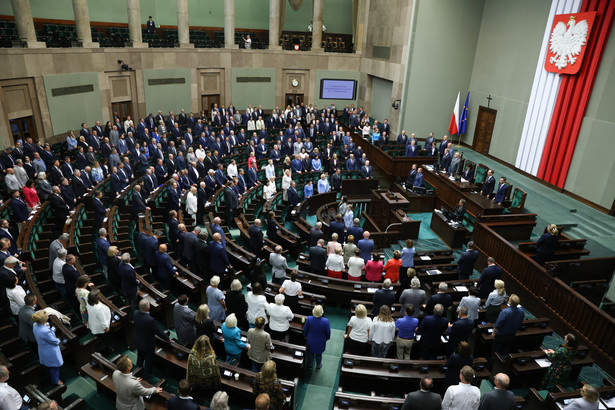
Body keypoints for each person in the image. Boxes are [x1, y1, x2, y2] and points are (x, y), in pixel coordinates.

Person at [133, 299, 171, 374]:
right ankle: (147, 375)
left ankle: (138, 372)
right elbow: (158, 331)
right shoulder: (150, 320)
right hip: (147, 344)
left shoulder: (135, 313)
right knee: (148, 361)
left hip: (138, 340)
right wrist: (167, 339)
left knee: (140, 357)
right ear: (148, 307)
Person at [32, 310, 64, 386]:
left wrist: (52, 329)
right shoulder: (46, 331)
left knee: (50, 366)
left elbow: (45, 333)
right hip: (50, 351)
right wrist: (61, 339)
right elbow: (54, 341)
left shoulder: (35, 325)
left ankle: (54, 379)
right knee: (54, 367)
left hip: (42, 349)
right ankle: (55, 381)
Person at [303, 305, 330, 371]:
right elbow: (328, 332)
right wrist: (326, 338)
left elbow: (305, 330)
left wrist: (305, 336)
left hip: (310, 340)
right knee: (319, 354)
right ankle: (318, 365)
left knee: (310, 354)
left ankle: (310, 365)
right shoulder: (326, 321)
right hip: (321, 341)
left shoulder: (309, 319)